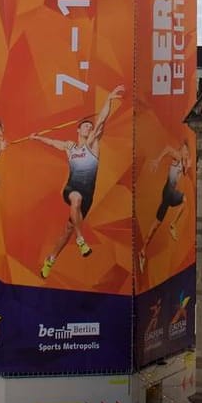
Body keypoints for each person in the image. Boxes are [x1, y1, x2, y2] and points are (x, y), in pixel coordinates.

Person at [30, 86, 124, 279]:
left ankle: (51, 259)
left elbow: (102, 120)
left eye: (91, 127)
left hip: (89, 192)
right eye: (86, 127)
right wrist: (37, 137)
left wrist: (109, 99)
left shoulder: (93, 144)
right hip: (72, 188)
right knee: (75, 200)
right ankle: (81, 240)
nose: (90, 128)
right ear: (78, 129)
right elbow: (52, 143)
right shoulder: (70, 146)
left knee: (68, 230)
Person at [137, 140, 192, 273]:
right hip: (168, 191)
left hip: (168, 195)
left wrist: (187, 166)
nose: (186, 153)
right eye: (185, 150)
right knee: (184, 199)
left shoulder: (183, 163)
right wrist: (157, 160)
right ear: (181, 150)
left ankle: (143, 251)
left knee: (156, 225)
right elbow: (167, 147)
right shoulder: (177, 156)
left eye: (187, 152)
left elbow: (182, 173)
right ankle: (173, 225)